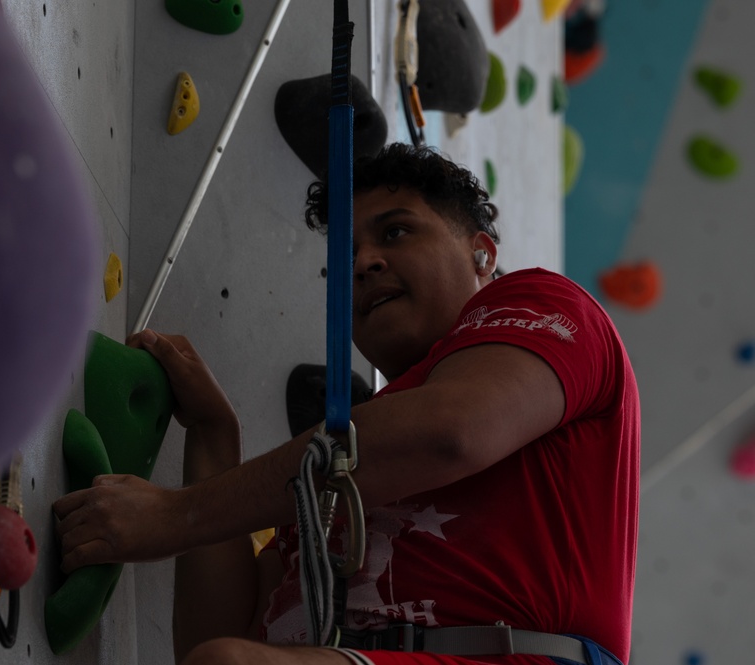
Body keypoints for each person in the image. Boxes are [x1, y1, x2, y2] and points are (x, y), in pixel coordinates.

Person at [53, 144, 639, 665]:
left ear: (481, 254)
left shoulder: (543, 305)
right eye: (345, 256)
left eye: (396, 232)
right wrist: (212, 435)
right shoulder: (338, 464)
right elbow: (218, 635)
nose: (363, 262)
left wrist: (176, 515)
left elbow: (452, 431)